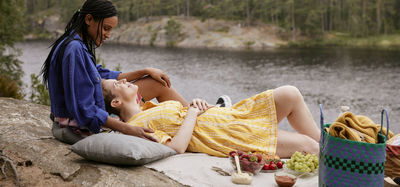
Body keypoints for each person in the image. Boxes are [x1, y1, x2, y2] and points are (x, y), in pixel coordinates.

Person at [41, 0, 188, 144]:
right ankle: (195, 120)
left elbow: (101, 74)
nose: (108, 35)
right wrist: (126, 128)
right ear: (89, 19)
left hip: (83, 117)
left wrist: (145, 71)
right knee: (157, 86)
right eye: (106, 28)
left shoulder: (76, 44)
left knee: (156, 82)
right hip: (73, 129)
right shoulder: (74, 49)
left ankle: (194, 116)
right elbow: (84, 109)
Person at [102, 78, 320, 158]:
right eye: (115, 85)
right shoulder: (136, 126)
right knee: (310, 147)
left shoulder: (149, 107)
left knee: (290, 93)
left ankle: (334, 142)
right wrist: (193, 113)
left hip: (231, 114)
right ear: (116, 103)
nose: (121, 80)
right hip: (225, 134)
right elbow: (176, 147)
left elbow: (184, 112)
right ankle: (341, 151)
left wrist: (196, 104)